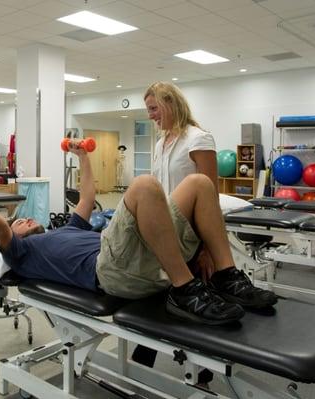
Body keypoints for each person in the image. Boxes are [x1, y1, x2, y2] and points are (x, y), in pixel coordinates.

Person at [0, 141, 277, 326]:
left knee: (200, 184)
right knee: (144, 185)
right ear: (15, 237)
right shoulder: (24, 254)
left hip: (145, 257)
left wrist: (83, 156)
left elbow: (86, 196)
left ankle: (227, 276)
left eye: (23, 220)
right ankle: (184, 290)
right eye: (18, 224)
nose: (23, 220)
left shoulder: (68, 227)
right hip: (113, 273)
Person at [136, 82, 220, 372]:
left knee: (199, 302)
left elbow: (211, 196)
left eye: (154, 108)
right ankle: (141, 361)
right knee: (163, 292)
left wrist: (209, 248)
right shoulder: (160, 144)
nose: (150, 116)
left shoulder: (199, 139)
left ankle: (206, 372)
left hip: (193, 234)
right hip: (164, 233)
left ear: (170, 103)